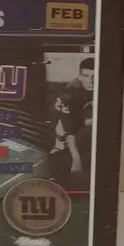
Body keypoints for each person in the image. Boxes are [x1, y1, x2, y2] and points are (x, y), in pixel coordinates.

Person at [48, 57, 94, 188]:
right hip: (65, 141)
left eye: (94, 76)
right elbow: (70, 131)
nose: (91, 81)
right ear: (80, 76)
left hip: (83, 131)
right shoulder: (69, 94)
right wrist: (76, 159)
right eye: (86, 76)